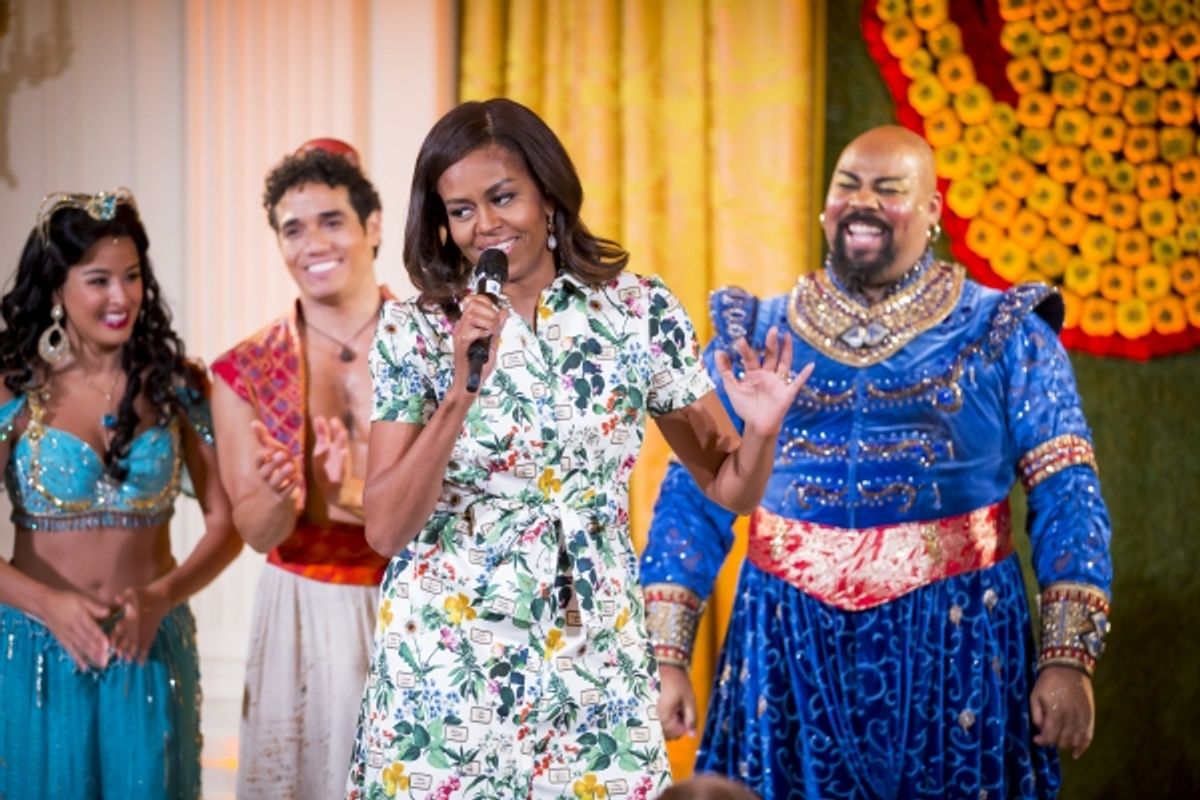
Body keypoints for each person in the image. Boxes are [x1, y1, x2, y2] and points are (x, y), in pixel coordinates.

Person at [347, 97, 812, 799]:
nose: (486, 226)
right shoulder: (413, 333)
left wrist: (764, 430)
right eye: (462, 209)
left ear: (550, 194)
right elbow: (384, 528)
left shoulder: (637, 312)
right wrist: (459, 391)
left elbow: (729, 486)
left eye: (504, 197)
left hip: (595, 655)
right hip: (448, 664)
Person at [641, 125, 1114, 800]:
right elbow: (695, 496)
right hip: (785, 644)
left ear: (933, 213)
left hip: (959, 646)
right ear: (824, 207)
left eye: (890, 190)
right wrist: (665, 656)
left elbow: (1069, 496)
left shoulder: (1005, 333)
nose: (864, 203)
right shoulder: (753, 333)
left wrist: (1069, 660)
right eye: (848, 186)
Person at [0, 188, 243, 798]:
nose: (121, 297)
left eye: (132, 277)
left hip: (149, 650)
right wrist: (45, 604)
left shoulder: (177, 386)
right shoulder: (12, 389)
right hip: (34, 652)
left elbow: (226, 524)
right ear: (57, 288)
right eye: (99, 280)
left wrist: (163, 596)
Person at [210, 142, 392, 799]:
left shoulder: (436, 343)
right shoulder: (245, 370)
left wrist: (350, 491)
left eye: (332, 220)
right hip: (301, 607)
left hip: (416, 603)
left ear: (372, 227)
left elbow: (460, 506)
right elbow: (258, 533)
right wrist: (282, 490)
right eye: (293, 228)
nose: (313, 242)